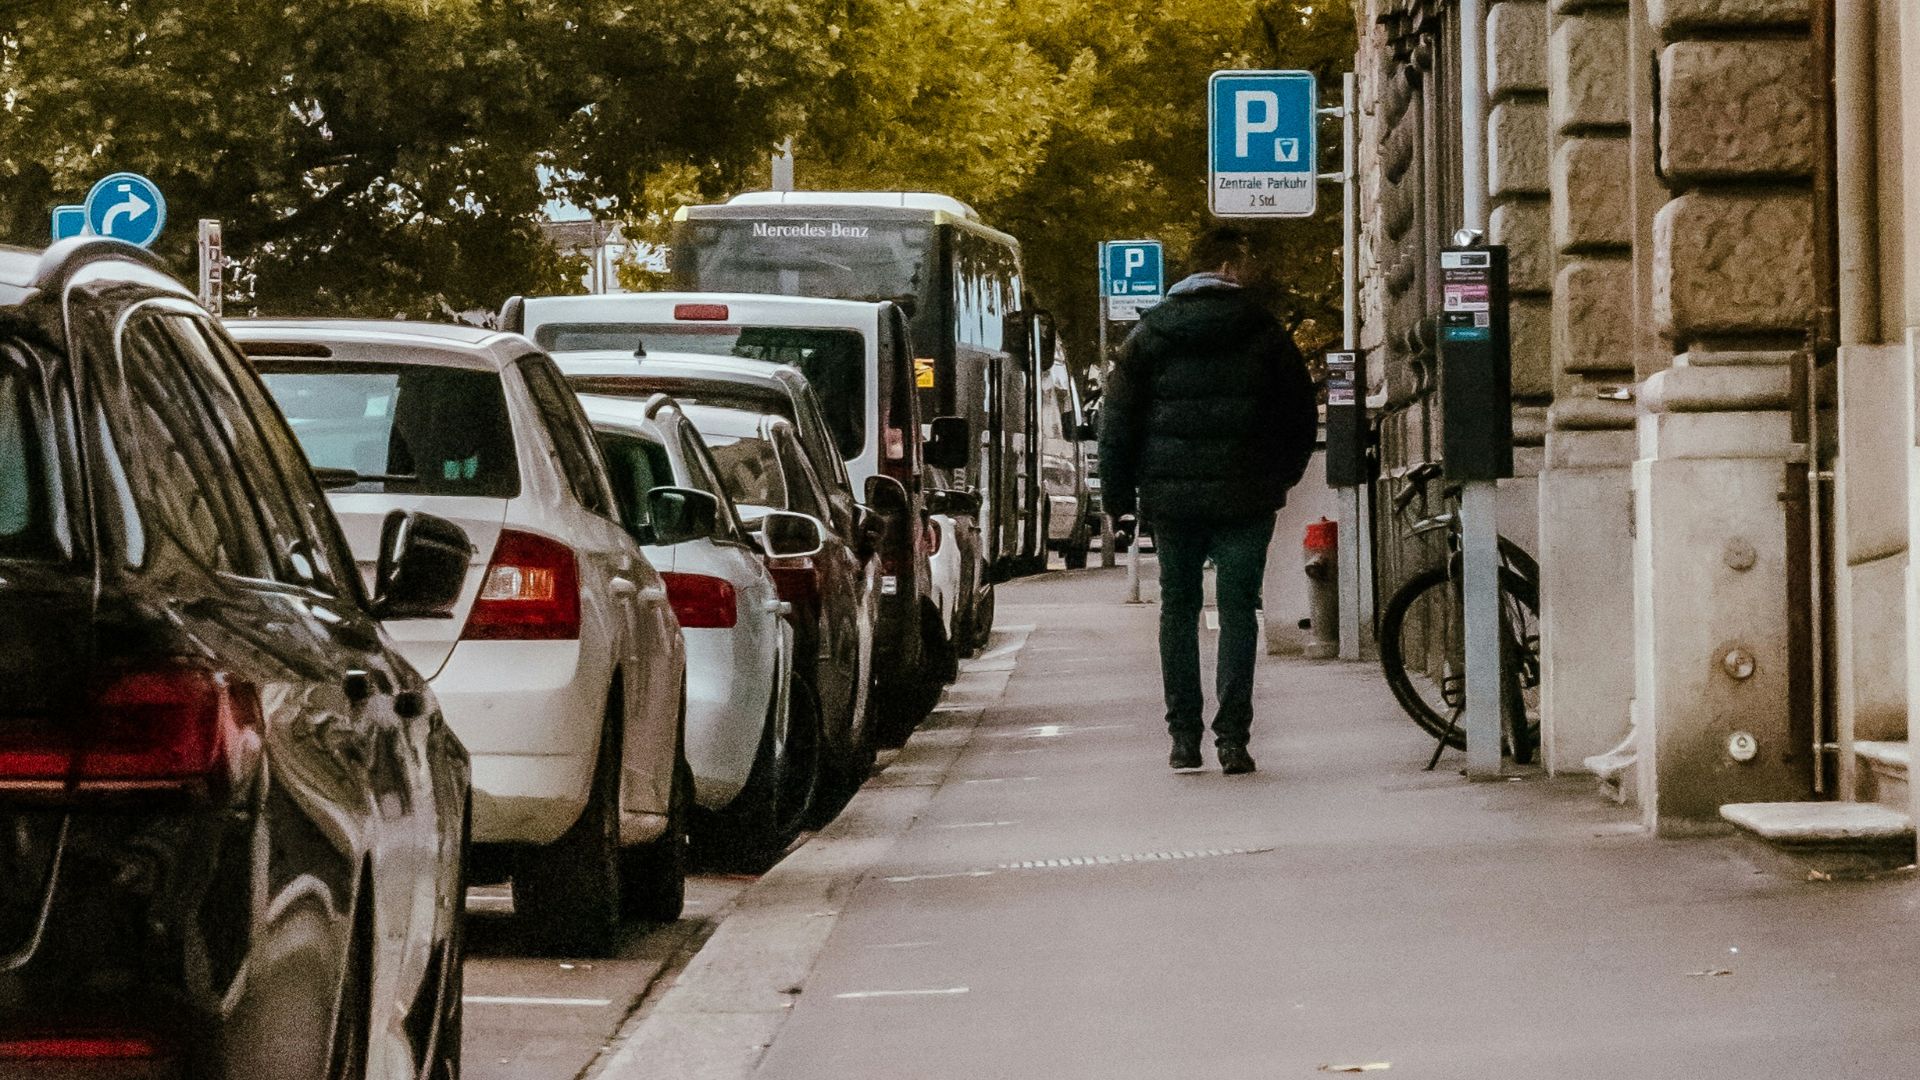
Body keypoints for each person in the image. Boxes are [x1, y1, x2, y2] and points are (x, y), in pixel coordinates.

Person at [1098, 226, 1317, 774]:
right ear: (1227, 270)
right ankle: (1234, 739)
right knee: (1240, 611)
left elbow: (1117, 424)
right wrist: (1279, 480)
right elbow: (1299, 415)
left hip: (1173, 501)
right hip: (1246, 496)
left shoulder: (1149, 335)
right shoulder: (1264, 331)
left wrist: (1120, 499)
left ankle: (1182, 738)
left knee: (1179, 609)